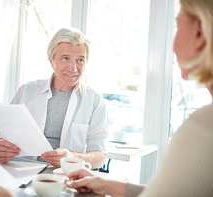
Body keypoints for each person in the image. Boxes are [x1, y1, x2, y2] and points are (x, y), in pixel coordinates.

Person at [66, 0, 213, 196]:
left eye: (177, 26)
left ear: (200, 32)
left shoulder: (203, 127)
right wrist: (108, 184)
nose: (172, 46)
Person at [0, 27, 108, 169]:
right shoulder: (26, 92)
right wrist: (0, 147)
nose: (73, 68)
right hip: (20, 170)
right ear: (52, 61)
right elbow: (2, 135)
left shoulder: (94, 101)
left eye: (80, 60)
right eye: (65, 58)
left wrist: (73, 157)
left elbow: (101, 156)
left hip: (65, 175)